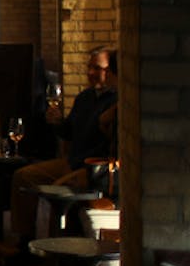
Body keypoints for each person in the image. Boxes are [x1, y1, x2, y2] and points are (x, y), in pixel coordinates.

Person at [10, 46, 118, 242]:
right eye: (89, 67)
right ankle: (24, 241)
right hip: (71, 161)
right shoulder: (85, 97)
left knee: (56, 194)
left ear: (110, 71)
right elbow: (69, 133)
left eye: (97, 68)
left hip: (93, 168)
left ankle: (55, 256)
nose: (91, 73)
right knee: (23, 176)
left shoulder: (118, 101)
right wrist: (57, 122)